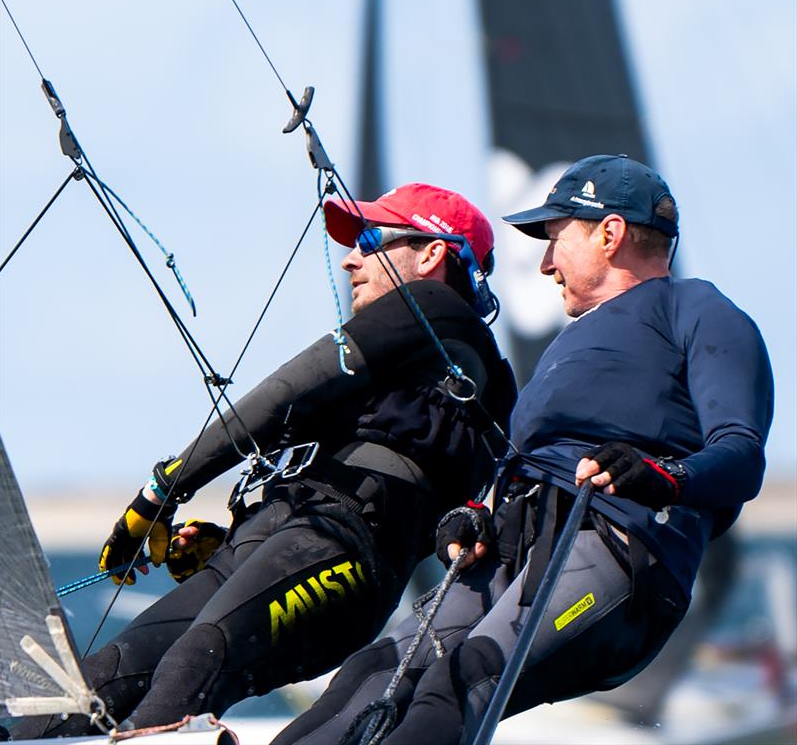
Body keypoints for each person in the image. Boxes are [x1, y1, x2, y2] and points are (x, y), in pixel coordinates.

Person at [272, 154, 774, 745]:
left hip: (615, 545)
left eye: (555, 239)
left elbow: (741, 454)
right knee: (370, 675)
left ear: (609, 235)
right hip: (516, 544)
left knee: (456, 685)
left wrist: (659, 476)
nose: (543, 264)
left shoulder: (696, 310)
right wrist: (478, 509)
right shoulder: (570, 347)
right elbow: (521, 461)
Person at [11, 183, 516, 739]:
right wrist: (238, 538)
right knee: (90, 686)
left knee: (192, 666)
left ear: (431, 253)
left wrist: (161, 491)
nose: (351, 257)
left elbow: (281, 394)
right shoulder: (414, 361)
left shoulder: (440, 312)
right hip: (283, 533)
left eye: (372, 239)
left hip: (346, 553)